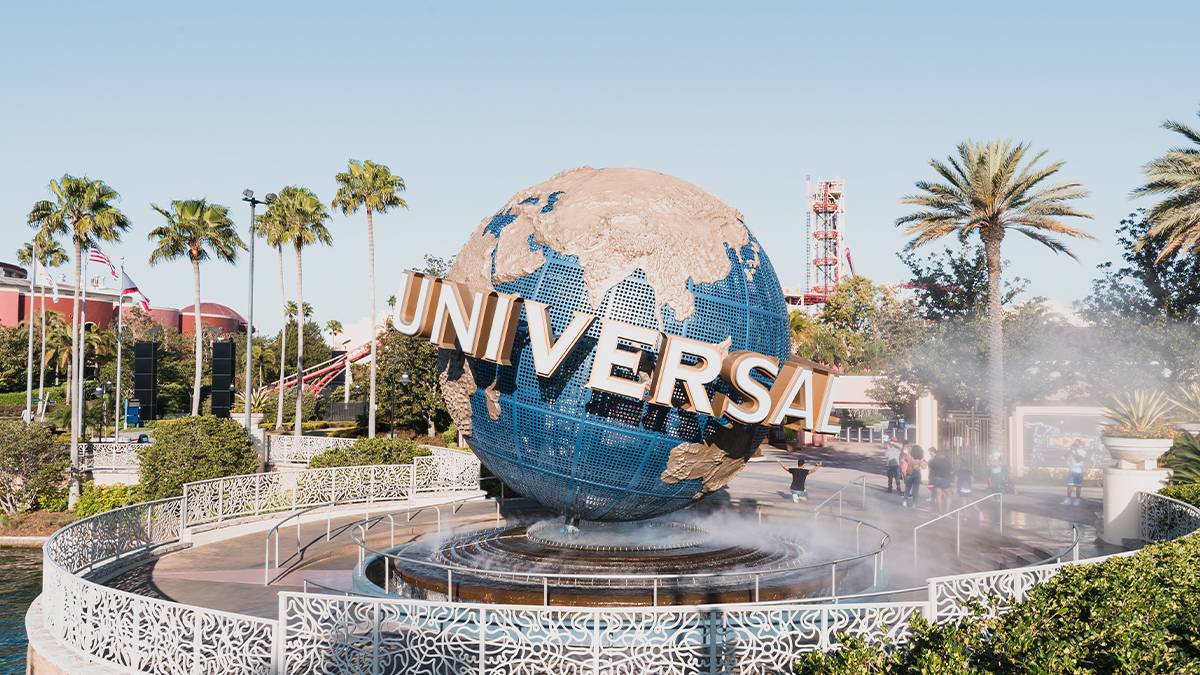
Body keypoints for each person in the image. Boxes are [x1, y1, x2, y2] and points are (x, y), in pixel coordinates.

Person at [927, 447, 953, 513]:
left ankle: (940, 511)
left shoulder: (934, 461)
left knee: (938, 495)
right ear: (944, 454)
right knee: (949, 495)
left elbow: (931, 470)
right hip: (945, 479)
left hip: (936, 479)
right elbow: (950, 472)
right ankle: (947, 511)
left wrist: (930, 480)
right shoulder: (948, 462)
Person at [1063, 440, 1086, 506]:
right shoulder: (1070, 451)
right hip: (1071, 470)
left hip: (1079, 471)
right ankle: (1068, 499)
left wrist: (1074, 451)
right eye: (1075, 443)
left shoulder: (1083, 452)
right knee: (1069, 485)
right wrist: (1070, 451)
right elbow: (1064, 457)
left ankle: (1077, 500)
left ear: (1080, 445)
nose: (1076, 445)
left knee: (1078, 486)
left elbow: (1078, 460)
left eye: (1077, 444)